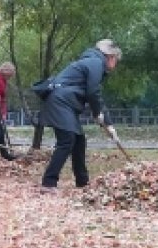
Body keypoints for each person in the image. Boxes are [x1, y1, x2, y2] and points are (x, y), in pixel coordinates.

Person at [38, 39, 121, 193]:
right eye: (117, 59)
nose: (116, 64)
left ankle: (82, 182)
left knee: (79, 140)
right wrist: (98, 115)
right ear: (111, 56)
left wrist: (108, 125)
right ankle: (48, 183)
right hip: (61, 101)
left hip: (65, 102)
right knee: (67, 140)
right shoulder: (96, 62)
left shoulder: (92, 62)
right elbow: (93, 92)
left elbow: (96, 97)